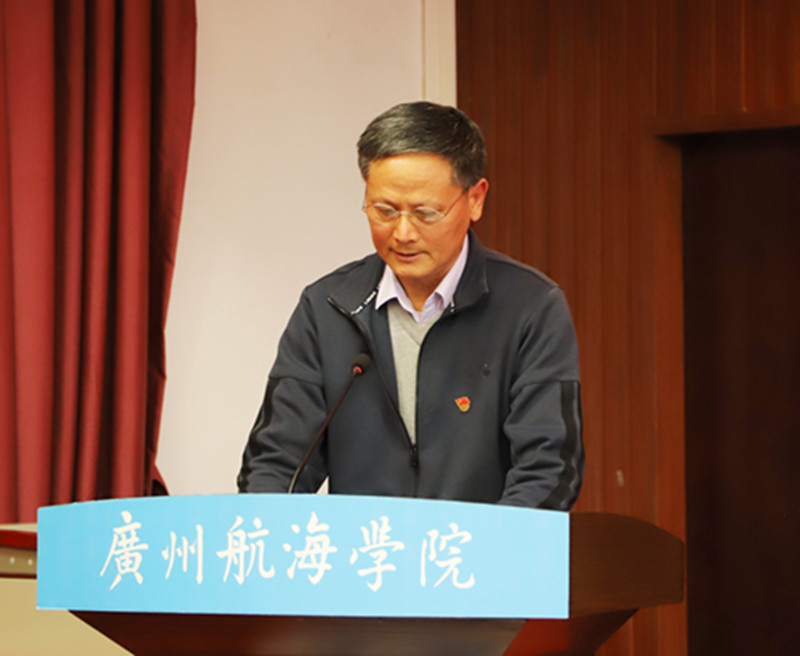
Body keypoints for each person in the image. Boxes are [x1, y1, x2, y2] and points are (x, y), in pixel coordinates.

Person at [237, 101, 584, 509]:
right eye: (384, 211)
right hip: (364, 547)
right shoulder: (328, 308)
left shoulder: (529, 307)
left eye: (425, 213)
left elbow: (547, 469)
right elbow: (276, 463)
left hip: (478, 547)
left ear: (475, 199)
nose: (402, 233)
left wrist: (490, 546)